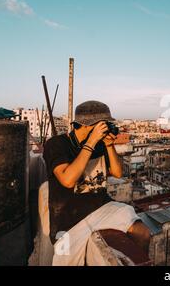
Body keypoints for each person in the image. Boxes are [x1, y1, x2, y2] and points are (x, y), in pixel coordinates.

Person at [43, 100, 150, 256]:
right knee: (64, 258)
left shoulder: (100, 144)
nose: (107, 127)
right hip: (68, 218)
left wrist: (108, 145)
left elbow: (117, 172)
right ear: (89, 124)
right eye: (104, 123)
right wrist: (91, 141)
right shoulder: (57, 144)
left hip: (101, 207)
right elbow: (67, 180)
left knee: (142, 232)